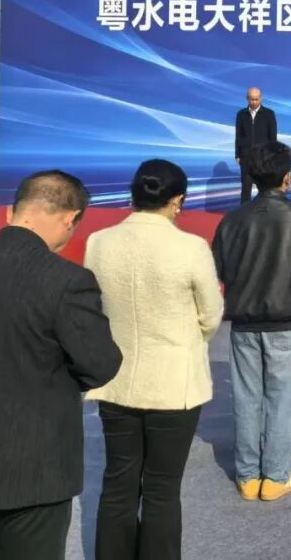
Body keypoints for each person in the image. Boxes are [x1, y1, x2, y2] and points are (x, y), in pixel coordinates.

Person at [84, 159, 223, 560]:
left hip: (116, 379)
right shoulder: (191, 248)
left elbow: (94, 307)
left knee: (118, 482)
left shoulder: (99, 242)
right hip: (174, 384)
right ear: (177, 200)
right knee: (162, 489)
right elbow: (211, 316)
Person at [0, 171, 121, 560]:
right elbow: (100, 364)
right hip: (36, 468)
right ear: (70, 218)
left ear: (12, 212)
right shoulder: (67, 280)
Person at [212, 142, 291, 502]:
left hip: (244, 324)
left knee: (246, 399)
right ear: (287, 178)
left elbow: (219, 269)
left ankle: (248, 476)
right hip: (287, 323)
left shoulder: (231, 220)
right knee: (281, 401)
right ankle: (276, 477)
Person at [235, 86, 278, 204]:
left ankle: (264, 212)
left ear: (261, 98)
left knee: (264, 188)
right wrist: (237, 154)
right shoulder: (241, 114)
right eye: (251, 99)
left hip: (263, 157)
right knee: (246, 187)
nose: (254, 102)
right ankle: (244, 212)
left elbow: (273, 137)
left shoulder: (269, 114)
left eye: (256, 99)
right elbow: (238, 135)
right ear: (247, 99)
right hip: (246, 157)